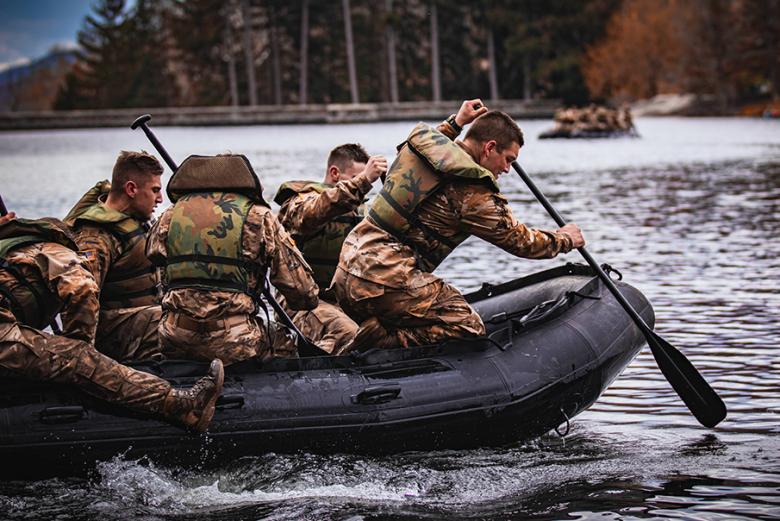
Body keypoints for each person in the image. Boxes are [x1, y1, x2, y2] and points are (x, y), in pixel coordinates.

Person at [332, 104, 585, 353]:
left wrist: (456, 123)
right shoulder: (473, 192)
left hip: (346, 270)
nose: (507, 169)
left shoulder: (418, 149)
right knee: (468, 326)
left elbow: (435, 147)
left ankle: (379, 328)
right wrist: (564, 240)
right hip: (383, 281)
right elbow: (520, 240)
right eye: (508, 159)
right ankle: (381, 342)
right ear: (489, 148)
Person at [0, 216, 224, 433]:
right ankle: (180, 406)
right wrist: (83, 346)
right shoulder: (50, 249)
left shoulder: (10, 254)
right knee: (79, 358)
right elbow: (82, 288)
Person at [146, 153, 319, 364]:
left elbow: (153, 256)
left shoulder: (170, 215)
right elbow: (303, 292)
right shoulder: (259, 216)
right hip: (234, 341)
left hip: (175, 336)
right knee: (285, 341)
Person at [272, 144, 387, 353]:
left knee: (393, 329)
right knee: (348, 333)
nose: (364, 186)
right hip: (303, 304)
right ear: (335, 173)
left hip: (346, 301)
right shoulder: (300, 201)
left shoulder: (361, 211)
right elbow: (312, 214)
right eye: (357, 177)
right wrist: (363, 181)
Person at [64, 151, 164, 363]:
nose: (160, 199)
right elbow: (80, 298)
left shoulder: (135, 219)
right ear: (131, 189)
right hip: (114, 336)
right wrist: (85, 360)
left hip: (143, 321)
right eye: (155, 190)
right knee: (182, 326)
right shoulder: (96, 237)